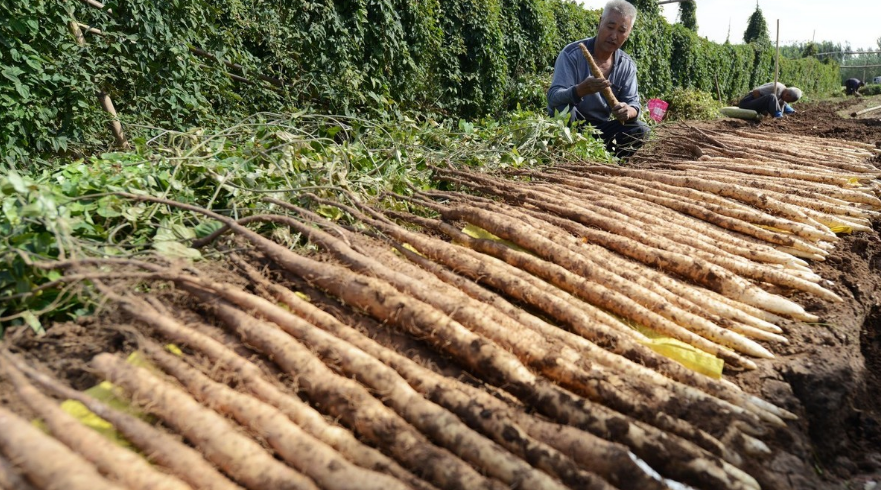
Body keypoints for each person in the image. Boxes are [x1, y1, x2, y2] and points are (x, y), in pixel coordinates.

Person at [546, 0, 649, 159]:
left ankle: (610, 163)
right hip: (571, 127)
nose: (614, 36)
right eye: (610, 27)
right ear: (600, 22)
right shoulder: (572, 54)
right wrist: (579, 91)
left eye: (621, 30)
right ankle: (565, 155)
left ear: (629, 33)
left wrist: (627, 111)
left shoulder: (626, 65)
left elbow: (634, 103)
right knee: (563, 108)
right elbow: (553, 96)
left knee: (640, 130)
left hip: (601, 130)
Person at [737, 82, 802, 118]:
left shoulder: (782, 96)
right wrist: (763, 108)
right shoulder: (777, 87)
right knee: (772, 97)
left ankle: (791, 112)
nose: (787, 102)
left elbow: (781, 104)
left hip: (757, 105)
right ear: (787, 95)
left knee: (782, 102)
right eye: (788, 100)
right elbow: (755, 92)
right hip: (747, 103)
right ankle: (778, 116)